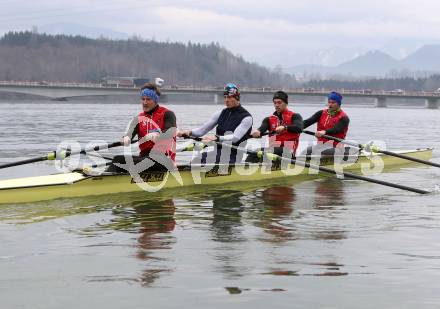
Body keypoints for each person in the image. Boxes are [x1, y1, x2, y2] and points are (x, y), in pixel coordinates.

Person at [107, 83, 177, 173]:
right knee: (118, 160)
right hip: (144, 157)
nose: (145, 102)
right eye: (143, 99)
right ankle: (104, 178)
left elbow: (171, 132)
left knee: (118, 160)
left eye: (148, 99)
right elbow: (129, 134)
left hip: (163, 159)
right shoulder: (138, 119)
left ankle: (100, 182)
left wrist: (158, 134)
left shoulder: (167, 114)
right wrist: (126, 138)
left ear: (155, 100)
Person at [177, 83, 252, 164]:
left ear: (237, 98)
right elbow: (202, 130)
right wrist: (189, 132)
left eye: (229, 97)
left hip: (233, 156)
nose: (226, 100)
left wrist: (217, 137)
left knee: (204, 161)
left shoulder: (246, 118)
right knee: (197, 159)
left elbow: (235, 138)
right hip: (217, 153)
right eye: (225, 97)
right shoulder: (220, 113)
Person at [250, 91, 303, 160]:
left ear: (286, 103)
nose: (276, 105)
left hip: (288, 152)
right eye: (275, 103)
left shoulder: (295, 116)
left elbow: (299, 128)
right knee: (254, 152)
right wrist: (258, 131)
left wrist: (285, 127)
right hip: (273, 153)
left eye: (279, 102)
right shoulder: (268, 119)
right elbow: (262, 128)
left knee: (263, 152)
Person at [302, 91, 350, 158]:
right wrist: (294, 126)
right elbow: (307, 122)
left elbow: (336, 129)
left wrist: (324, 132)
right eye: (329, 102)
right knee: (305, 152)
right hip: (320, 145)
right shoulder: (321, 113)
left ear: (339, 104)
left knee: (319, 153)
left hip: (336, 148)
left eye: (333, 103)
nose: (330, 105)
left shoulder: (344, 118)